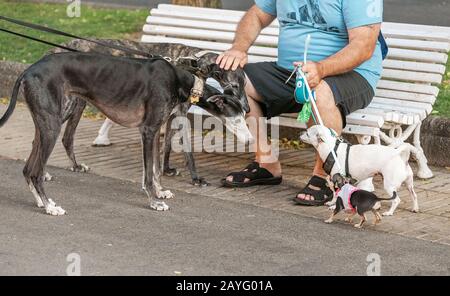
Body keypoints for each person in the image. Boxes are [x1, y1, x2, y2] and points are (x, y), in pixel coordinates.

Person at [217, 0, 384, 206]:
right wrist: (239, 48)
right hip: (293, 72)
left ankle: (326, 177)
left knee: (320, 92)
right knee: (234, 81)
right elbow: (256, 15)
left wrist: (321, 69)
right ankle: (266, 163)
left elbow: (363, 46)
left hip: (351, 74)